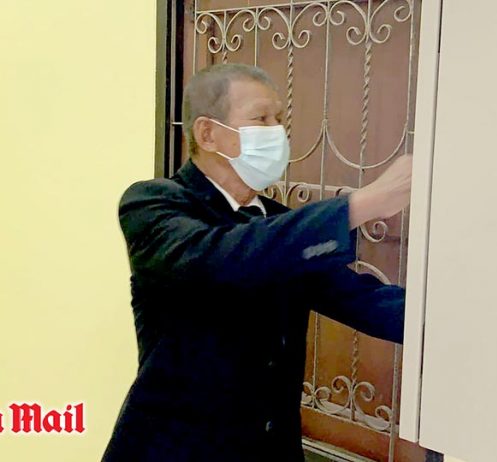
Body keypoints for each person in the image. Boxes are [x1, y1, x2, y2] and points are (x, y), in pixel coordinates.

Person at [102, 63, 412, 462]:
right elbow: (218, 258)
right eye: (261, 118)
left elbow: (360, 299)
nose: (277, 131)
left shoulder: (278, 224)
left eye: (280, 119)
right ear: (208, 134)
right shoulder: (153, 204)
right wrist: (361, 205)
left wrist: (455, 321)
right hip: (172, 450)